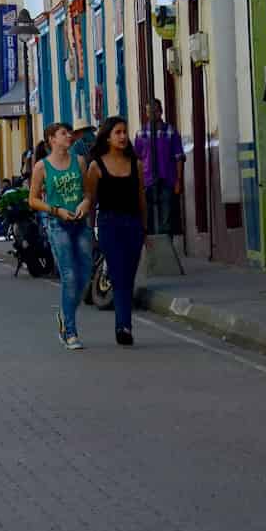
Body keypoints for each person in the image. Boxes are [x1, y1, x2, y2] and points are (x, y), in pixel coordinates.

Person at [29, 122, 94, 350]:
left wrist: (86, 203)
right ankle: (70, 332)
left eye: (69, 133)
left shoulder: (79, 162)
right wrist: (56, 210)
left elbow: (87, 191)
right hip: (57, 224)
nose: (68, 136)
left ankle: (64, 315)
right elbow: (33, 199)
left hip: (80, 222)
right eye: (63, 133)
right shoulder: (42, 166)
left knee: (85, 275)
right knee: (69, 276)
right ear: (51, 139)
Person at [91, 114, 148, 346]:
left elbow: (141, 198)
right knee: (118, 275)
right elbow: (90, 199)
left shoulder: (136, 164)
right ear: (107, 137)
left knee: (128, 276)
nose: (123, 137)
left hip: (133, 225)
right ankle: (123, 326)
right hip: (109, 225)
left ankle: (123, 324)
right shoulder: (96, 166)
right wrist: (89, 233)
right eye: (118, 132)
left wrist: (145, 228)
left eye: (125, 132)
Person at [135, 98, 185, 236]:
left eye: (155, 110)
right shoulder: (141, 133)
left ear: (161, 111)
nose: (152, 113)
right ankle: (153, 249)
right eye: (149, 111)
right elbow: (137, 159)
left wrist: (178, 180)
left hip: (167, 180)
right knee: (148, 217)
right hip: (147, 181)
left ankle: (166, 249)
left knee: (166, 217)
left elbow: (179, 157)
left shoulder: (170, 131)